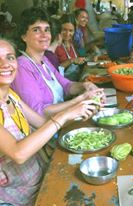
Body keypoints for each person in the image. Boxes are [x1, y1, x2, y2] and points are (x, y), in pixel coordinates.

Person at [0, 38, 100, 205]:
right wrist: (65, 114)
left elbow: (42, 123)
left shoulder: (11, 96)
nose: (5, 64)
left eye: (10, 57)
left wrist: (82, 111)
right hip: (14, 197)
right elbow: (18, 154)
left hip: (38, 181)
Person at [11, 7, 104, 117]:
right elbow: (39, 111)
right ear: (24, 36)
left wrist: (85, 85)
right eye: (36, 30)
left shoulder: (44, 61)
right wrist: (79, 100)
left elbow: (67, 85)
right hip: (45, 131)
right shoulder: (22, 67)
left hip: (61, 121)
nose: (44, 35)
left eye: (47, 29)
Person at [55, 14, 86, 81]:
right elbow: (54, 70)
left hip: (76, 81)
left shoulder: (73, 43)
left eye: (71, 30)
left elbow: (83, 54)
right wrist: (72, 60)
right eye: (64, 30)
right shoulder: (55, 46)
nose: (67, 34)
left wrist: (91, 57)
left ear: (74, 31)